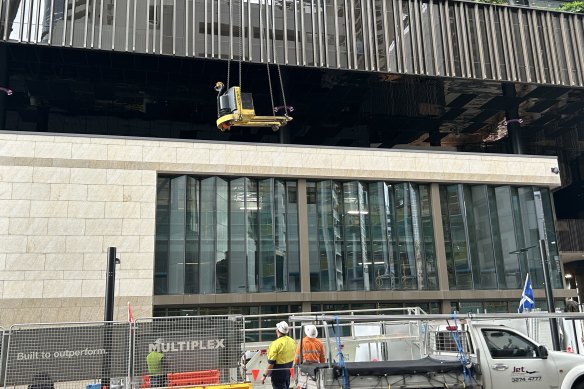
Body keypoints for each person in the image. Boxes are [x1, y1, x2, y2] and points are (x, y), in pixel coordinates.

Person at [260, 321, 296, 389]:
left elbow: (271, 363)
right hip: (288, 371)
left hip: (278, 373)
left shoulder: (275, 344)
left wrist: (264, 376)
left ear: (278, 330)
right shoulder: (292, 341)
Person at [294, 325, 326, 389]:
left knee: (304, 385)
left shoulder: (302, 342)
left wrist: (295, 366)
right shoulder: (320, 343)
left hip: (304, 368)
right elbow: (323, 358)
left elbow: (297, 357)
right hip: (316, 368)